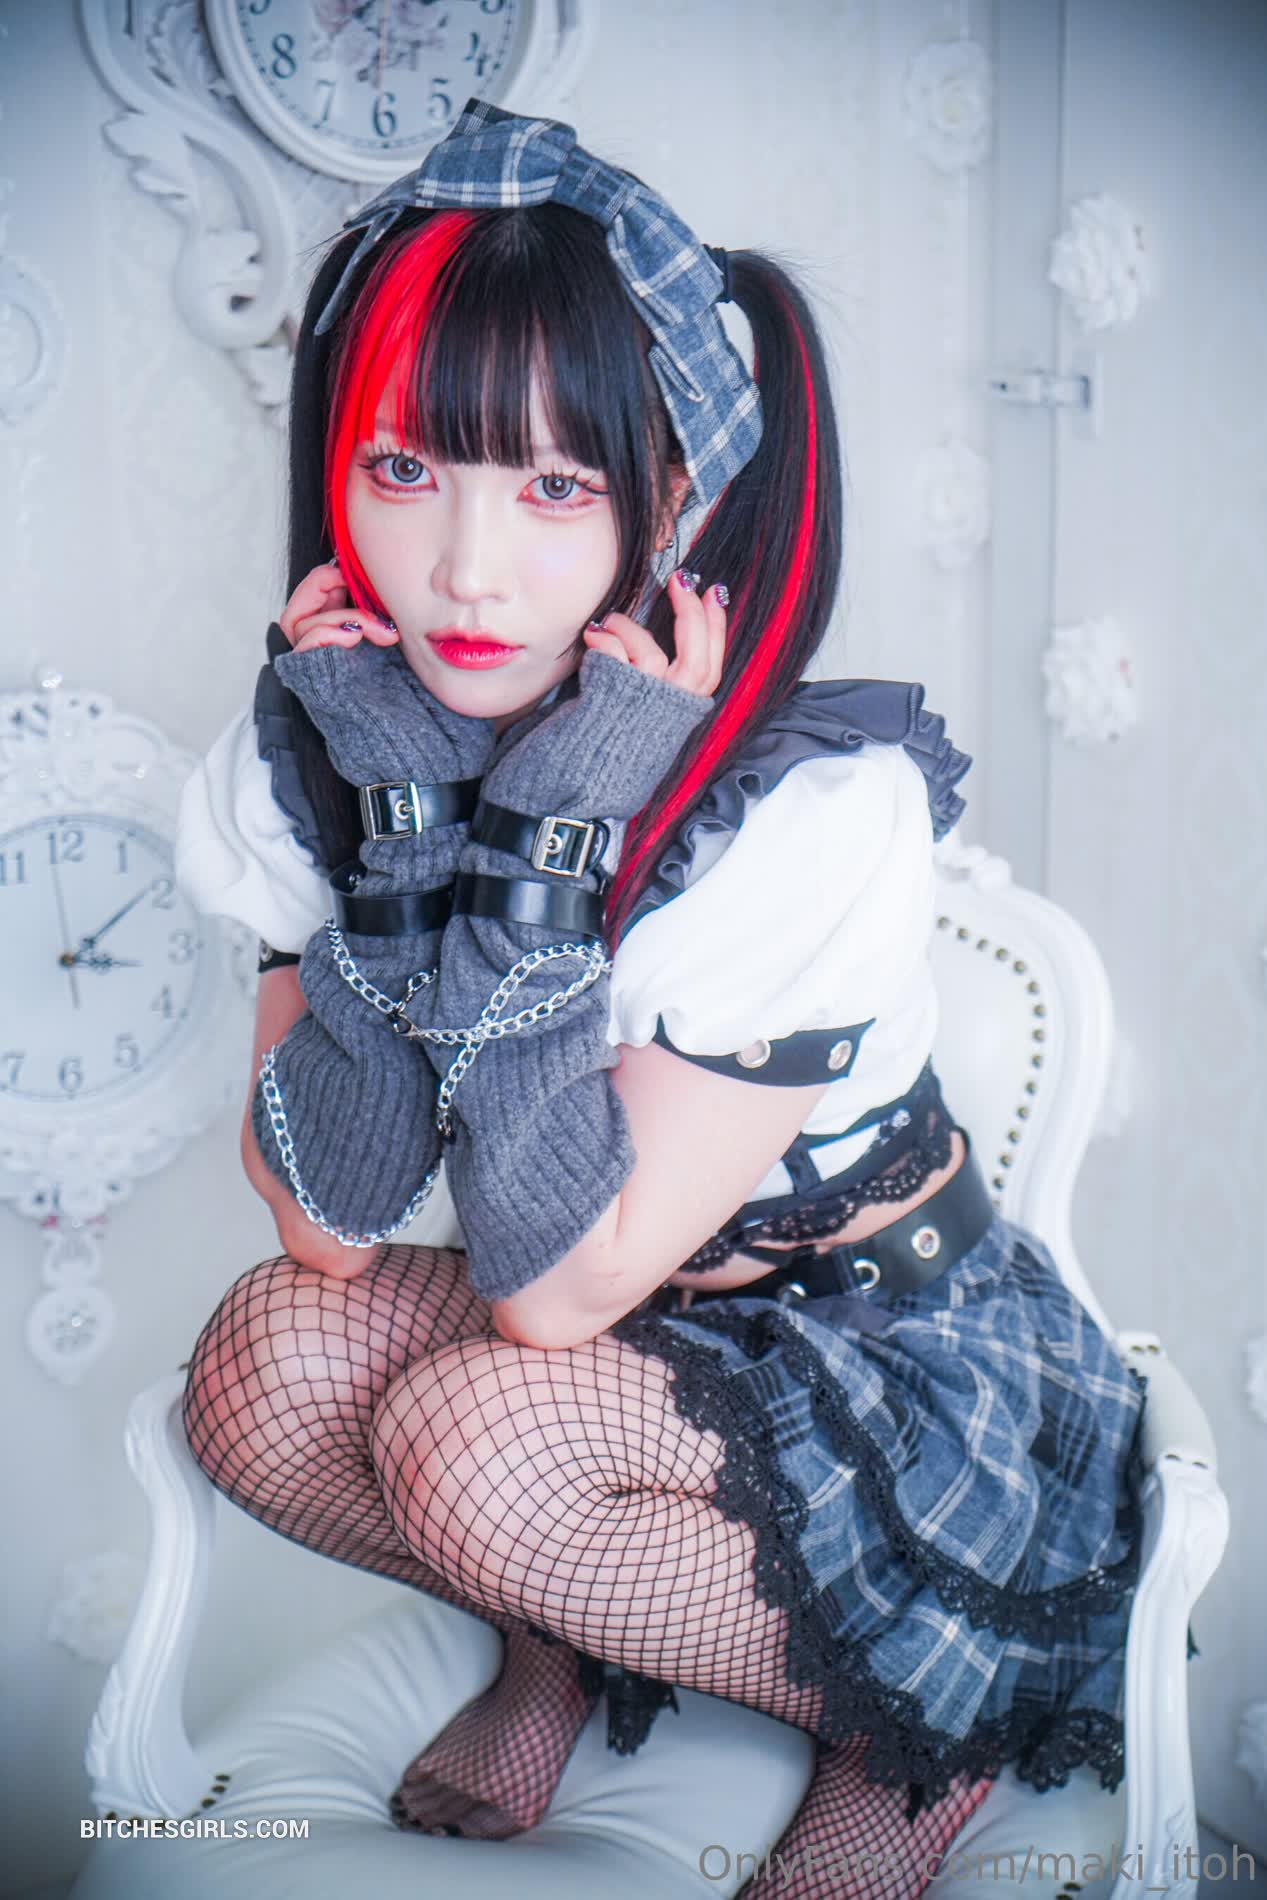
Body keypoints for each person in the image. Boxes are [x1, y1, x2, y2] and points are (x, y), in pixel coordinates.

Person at [176, 98, 1149, 1899]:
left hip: (885, 1365)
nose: (468, 570)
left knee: (474, 1439)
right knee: (261, 1368)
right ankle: (562, 1641)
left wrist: (550, 834)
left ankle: (914, 1732)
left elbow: (552, 1288)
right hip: (615, 1353)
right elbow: (331, 1222)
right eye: (405, 468)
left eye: (557, 489)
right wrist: (404, 821)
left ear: (673, 499)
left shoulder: (804, 816)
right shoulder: (326, 743)